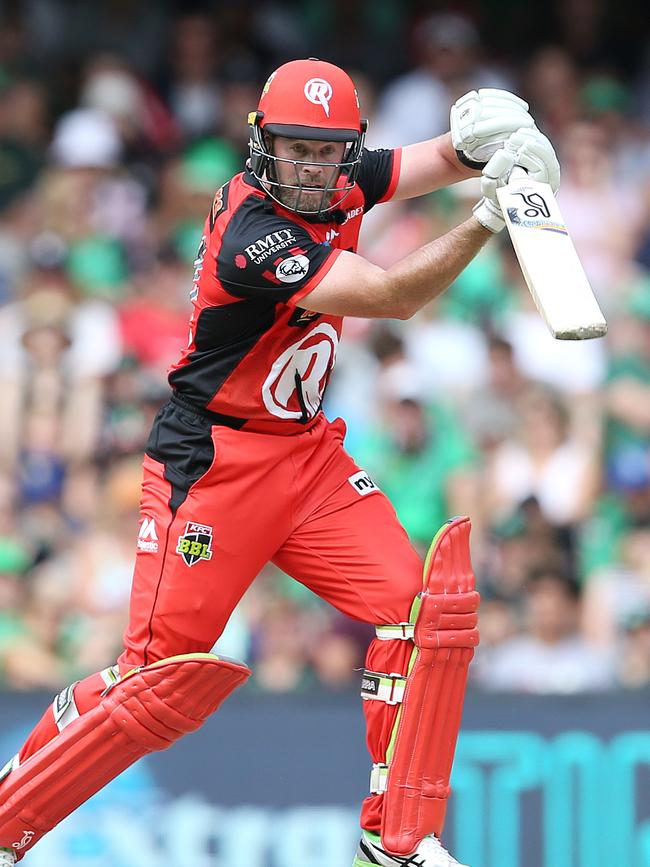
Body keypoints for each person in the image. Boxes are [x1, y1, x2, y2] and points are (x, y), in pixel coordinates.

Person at [0, 60, 559, 867]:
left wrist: (484, 143)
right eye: (294, 149)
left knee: (424, 610)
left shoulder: (335, 175)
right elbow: (396, 293)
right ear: (262, 146)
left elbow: (420, 163)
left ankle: (395, 837)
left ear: (344, 149)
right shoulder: (252, 233)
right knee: (153, 690)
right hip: (215, 467)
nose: (310, 167)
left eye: (327, 152)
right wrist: (488, 218)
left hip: (305, 457)